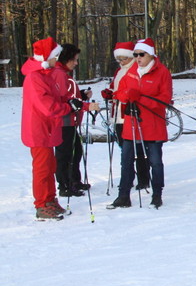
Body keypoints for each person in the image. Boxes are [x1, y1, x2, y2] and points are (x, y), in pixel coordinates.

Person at [21, 37, 90, 220]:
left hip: (48, 129)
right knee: (42, 168)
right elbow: (48, 106)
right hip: (39, 130)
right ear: (47, 57)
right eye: (55, 56)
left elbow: (58, 97)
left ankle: (50, 200)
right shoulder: (35, 77)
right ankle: (42, 204)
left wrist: (76, 103)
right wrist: (69, 107)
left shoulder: (45, 74)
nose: (57, 59)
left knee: (50, 166)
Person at [107, 38, 173, 210]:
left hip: (153, 125)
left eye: (141, 54)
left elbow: (165, 99)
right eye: (135, 55)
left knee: (155, 162)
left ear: (150, 54)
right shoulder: (131, 71)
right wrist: (127, 95)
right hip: (132, 124)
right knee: (126, 160)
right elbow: (119, 92)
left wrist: (141, 100)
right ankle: (123, 195)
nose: (137, 58)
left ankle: (157, 194)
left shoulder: (162, 72)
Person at [101, 41, 150, 189]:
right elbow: (115, 88)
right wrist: (110, 93)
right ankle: (128, 177)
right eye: (119, 59)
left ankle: (143, 179)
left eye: (124, 58)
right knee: (124, 150)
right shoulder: (120, 71)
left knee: (137, 150)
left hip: (130, 115)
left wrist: (119, 95)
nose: (121, 62)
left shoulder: (137, 69)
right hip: (118, 115)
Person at [51, 44, 93, 198]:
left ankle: (74, 180)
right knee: (66, 154)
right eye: (74, 60)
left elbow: (69, 97)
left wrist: (81, 95)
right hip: (64, 121)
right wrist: (84, 105)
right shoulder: (59, 74)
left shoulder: (63, 74)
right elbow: (63, 99)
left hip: (71, 120)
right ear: (66, 59)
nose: (76, 63)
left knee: (76, 152)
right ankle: (65, 185)